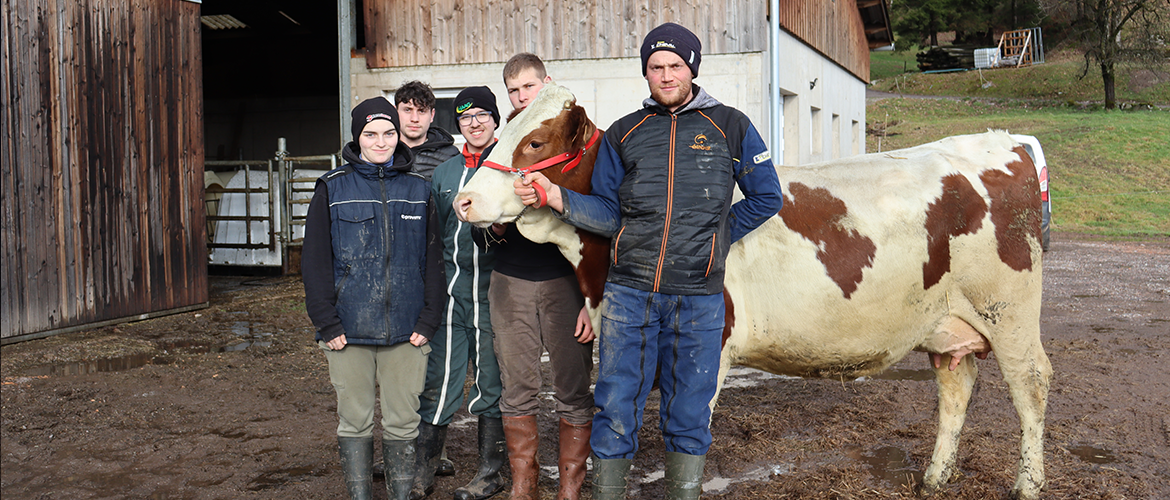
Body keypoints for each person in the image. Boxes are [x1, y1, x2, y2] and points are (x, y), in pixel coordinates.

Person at [512, 24, 783, 500]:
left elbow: (767, 197)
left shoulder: (731, 125)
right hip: (630, 293)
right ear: (646, 73)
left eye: (675, 65)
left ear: (692, 68)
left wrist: (716, 239)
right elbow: (607, 212)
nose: (666, 75)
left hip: (698, 297)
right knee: (616, 405)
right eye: (656, 67)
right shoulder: (625, 132)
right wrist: (558, 198)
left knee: (691, 409)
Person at [302, 96, 446, 500]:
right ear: (357, 137)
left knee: (403, 422)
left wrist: (428, 320)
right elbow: (314, 263)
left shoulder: (419, 190)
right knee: (355, 422)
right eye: (371, 134)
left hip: (407, 331)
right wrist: (326, 323)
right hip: (347, 331)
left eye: (388, 133)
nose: (380, 142)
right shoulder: (331, 188)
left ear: (398, 136)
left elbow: (433, 260)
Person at [487, 52, 596, 500]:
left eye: (528, 87)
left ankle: (570, 486)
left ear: (547, 83)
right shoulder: (505, 144)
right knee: (517, 385)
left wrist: (591, 298)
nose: (520, 96)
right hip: (510, 279)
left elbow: (599, 225)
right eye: (513, 90)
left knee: (572, 383)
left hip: (564, 281)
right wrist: (491, 226)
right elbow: (484, 227)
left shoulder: (577, 140)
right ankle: (523, 484)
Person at [411, 86, 506, 500]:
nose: (474, 122)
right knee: (440, 375)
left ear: (495, 118)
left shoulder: (508, 166)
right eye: (466, 117)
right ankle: (426, 464)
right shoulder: (445, 173)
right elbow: (433, 236)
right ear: (458, 125)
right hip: (450, 291)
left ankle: (490, 469)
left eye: (482, 114)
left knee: (491, 378)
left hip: (494, 293)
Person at [395, 81, 460, 181]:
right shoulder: (383, 151)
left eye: (421, 111)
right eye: (408, 110)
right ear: (396, 112)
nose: (414, 118)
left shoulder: (450, 157)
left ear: (432, 115)